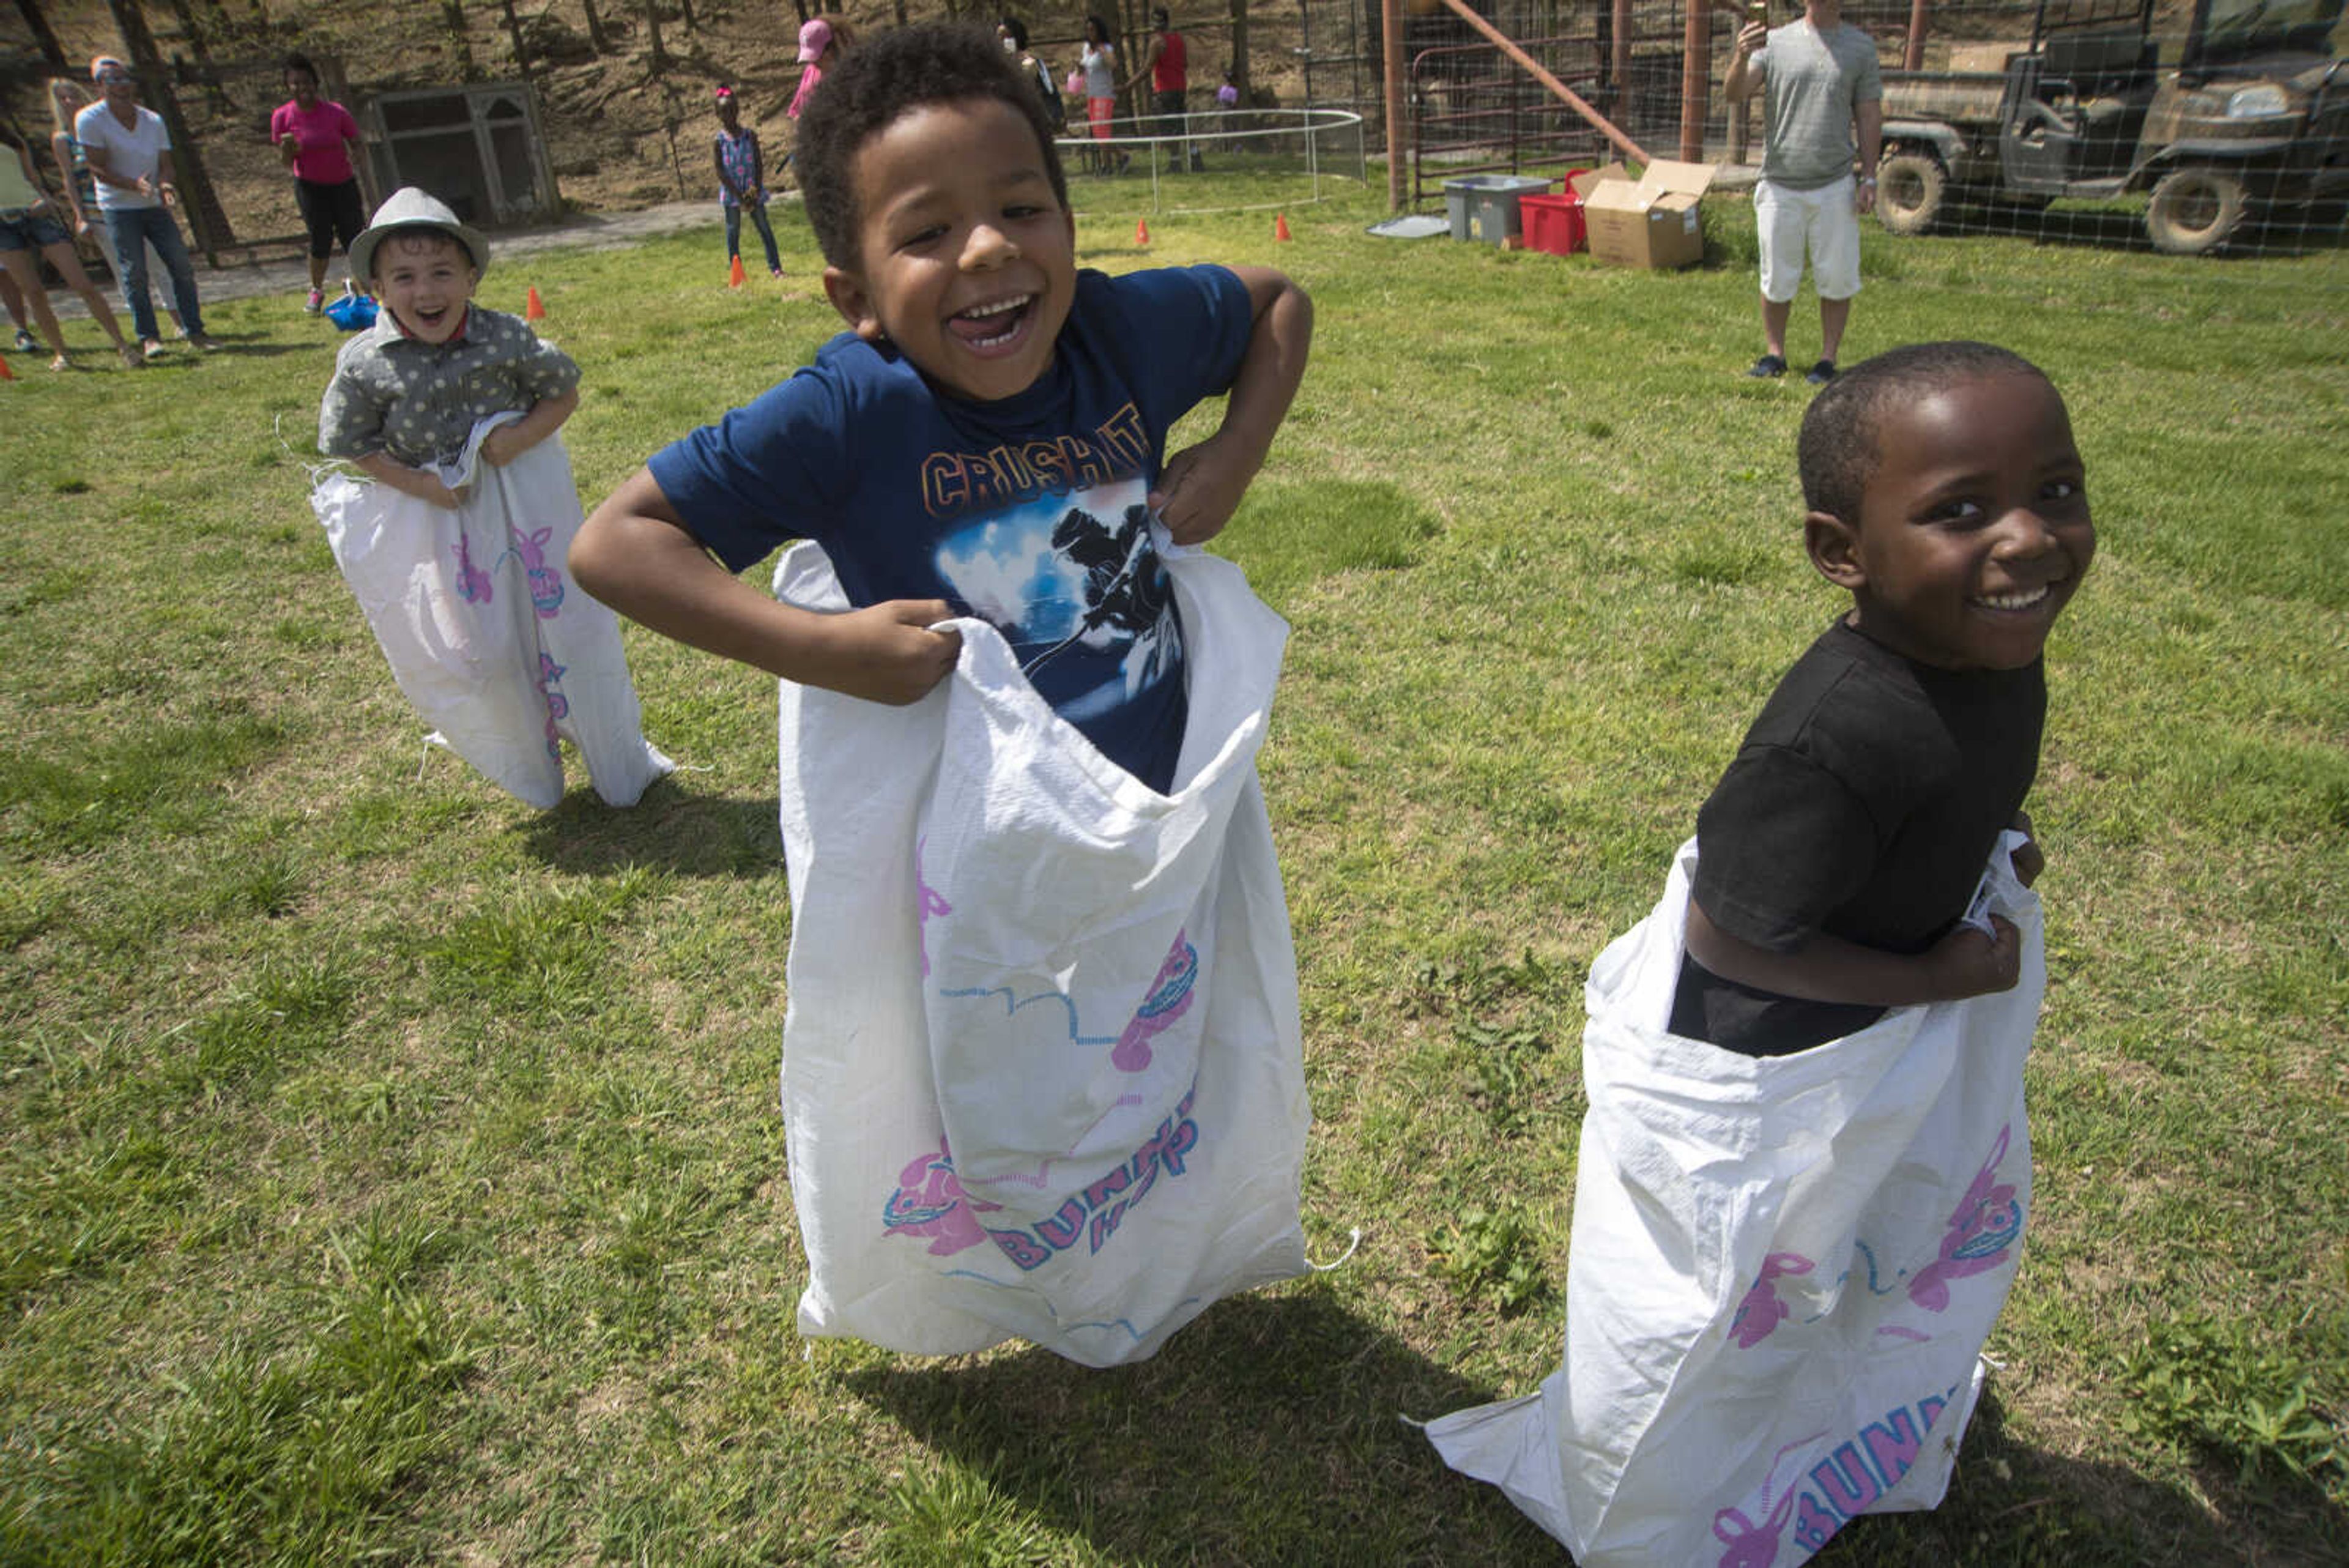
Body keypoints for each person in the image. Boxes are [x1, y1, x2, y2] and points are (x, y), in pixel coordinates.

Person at [572, 24, 1315, 1362]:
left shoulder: (1126, 331)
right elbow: (615, 544)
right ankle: (1005, 1251)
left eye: (1023, 209)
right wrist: (826, 648)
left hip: (1145, 817)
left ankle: (1138, 1220)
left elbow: (1277, 303)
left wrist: (1235, 456)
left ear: (1072, 222)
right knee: (992, 1072)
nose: (987, 253)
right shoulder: (848, 411)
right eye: (928, 235)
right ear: (855, 295)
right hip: (968, 863)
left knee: (1147, 1041)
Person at [1426, 342, 2093, 1561]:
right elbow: (1731, 935)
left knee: (1851, 1247)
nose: (2031, 538)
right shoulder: (1836, 738)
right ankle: (1667, 1503)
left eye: (2055, 490)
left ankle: (1811, 1411)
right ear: (1843, 554)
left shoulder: (1987, 648)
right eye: (1961, 511)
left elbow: (1966, 785)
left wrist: (2000, 839)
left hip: (1872, 1032)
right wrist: (1935, 978)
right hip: (1763, 1068)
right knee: (1724, 1303)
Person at [314, 187, 669, 809]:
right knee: (480, 647)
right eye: (405, 277)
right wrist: (422, 484)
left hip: (524, 508)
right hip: (438, 517)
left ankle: (614, 754)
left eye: (442, 273)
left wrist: (519, 438)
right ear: (376, 288)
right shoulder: (365, 362)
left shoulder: (505, 337)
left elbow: (563, 392)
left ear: (471, 278)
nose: (426, 292)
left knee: (567, 627)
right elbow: (352, 444)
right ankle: (529, 760)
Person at [1723, 0, 1880, 384]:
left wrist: (1871, 176)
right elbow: (1734, 92)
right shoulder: (1774, 43)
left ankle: (1827, 360)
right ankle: (1775, 354)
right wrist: (1741, 56)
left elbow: (1869, 113)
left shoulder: (1861, 48)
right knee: (1776, 277)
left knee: (1837, 277)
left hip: (1835, 184)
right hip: (1780, 184)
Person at [75, 56, 216, 357]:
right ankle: (149, 338)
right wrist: (132, 185)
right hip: (118, 207)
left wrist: (164, 185)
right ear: (99, 86)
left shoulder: (152, 120)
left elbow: (166, 165)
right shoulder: (89, 119)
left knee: (181, 265)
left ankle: (196, 330)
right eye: (110, 80)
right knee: (135, 272)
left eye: (124, 78)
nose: (119, 85)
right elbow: (96, 167)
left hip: (153, 205)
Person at [50, 76, 184, 341]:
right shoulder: (63, 140)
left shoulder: (107, 127)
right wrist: (80, 217)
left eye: (72, 95)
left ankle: (180, 323)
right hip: (101, 215)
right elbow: (70, 179)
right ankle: (148, 335)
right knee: (129, 274)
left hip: (135, 204)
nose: (69, 102)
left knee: (158, 264)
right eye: (62, 98)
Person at [0, 133, 140, 370]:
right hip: (3, 226)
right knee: (33, 292)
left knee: (82, 284)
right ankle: (61, 354)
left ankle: (123, 346)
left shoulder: (12, 140)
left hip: (36, 214)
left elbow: (32, 178)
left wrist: (47, 200)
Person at [270, 51, 366, 314]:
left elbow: (356, 142)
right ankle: (316, 290)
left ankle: (368, 289)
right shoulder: (282, 117)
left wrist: (358, 158)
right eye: (296, 83)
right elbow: (284, 161)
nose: (303, 88)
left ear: (316, 83)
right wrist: (289, 149)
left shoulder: (336, 113)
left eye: (307, 82)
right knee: (320, 239)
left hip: (343, 183)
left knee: (354, 237)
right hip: (310, 187)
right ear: (289, 87)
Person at [712, 85, 783, 278]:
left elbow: (759, 163)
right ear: (718, 114)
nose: (730, 115)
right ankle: (736, 269)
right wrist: (738, 196)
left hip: (753, 190)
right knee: (733, 231)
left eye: (733, 110)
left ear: (738, 110)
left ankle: (776, 267)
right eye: (724, 111)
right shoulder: (719, 141)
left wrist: (754, 190)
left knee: (764, 228)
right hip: (732, 193)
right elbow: (720, 171)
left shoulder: (749, 136)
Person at [1121, 7, 1198, 172]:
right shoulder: (1179, 38)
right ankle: (1195, 156)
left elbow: (1147, 69)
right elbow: (1185, 64)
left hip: (1165, 89)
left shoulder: (1157, 42)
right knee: (1182, 123)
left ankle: (1175, 162)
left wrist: (1128, 85)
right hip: (1180, 87)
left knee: (1168, 126)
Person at [996, 15, 1066, 137]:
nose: (1003, 41)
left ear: (1017, 38)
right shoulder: (995, 65)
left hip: (1029, 126)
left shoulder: (1031, 64)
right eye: (999, 37)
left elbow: (1044, 91)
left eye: (1007, 37)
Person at [1077, 14, 1124, 174]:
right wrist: (1079, 68)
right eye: (1088, 30)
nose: (1090, 33)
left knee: (1103, 131)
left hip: (1104, 94)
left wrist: (1103, 52)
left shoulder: (1106, 48)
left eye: (1093, 30)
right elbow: (1085, 66)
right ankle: (1122, 156)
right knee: (1098, 132)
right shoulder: (1086, 48)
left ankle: (1107, 165)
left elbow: (1113, 65)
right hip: (1091, 93)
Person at [788, 16, 839, 122]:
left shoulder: (845, 75)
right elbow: (796, 110)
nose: (813, 62)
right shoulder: (811, 71)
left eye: (817, 57)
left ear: (829, 49)